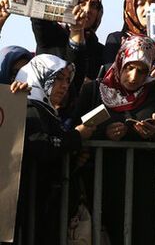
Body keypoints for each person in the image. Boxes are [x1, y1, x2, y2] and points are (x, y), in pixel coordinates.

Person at [72, 35, 155, 245]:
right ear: (120, 61)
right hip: (102, 184)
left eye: (142, 71)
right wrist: (103, 133)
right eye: (129, 68)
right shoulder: (94, 91)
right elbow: (75, 131)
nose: (133, 77)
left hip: (146, 190)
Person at [13, 55, 95, 245]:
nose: (65, 85)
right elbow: (42, 146)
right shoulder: (28, 106)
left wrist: (74, 160)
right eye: (58, 78)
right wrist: (76, 136)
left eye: (67, 80)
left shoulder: (46, 109)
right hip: (27, 206)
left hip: (43, 206)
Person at [31, 0, 105, 80]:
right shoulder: (51, 34)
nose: (87, 10)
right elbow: (39, 16)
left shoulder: (100, 51)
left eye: (93, 5)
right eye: (82, 3)